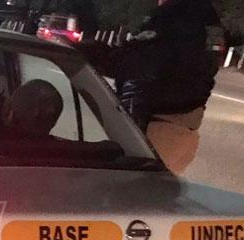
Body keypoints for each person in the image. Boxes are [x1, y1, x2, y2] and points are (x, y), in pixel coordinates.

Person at [80, 0, 223, 173]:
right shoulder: (205, 16)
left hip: (157, 132)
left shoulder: (177, 15)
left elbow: (133, 61)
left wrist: (83, 51)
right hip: (181, 130)